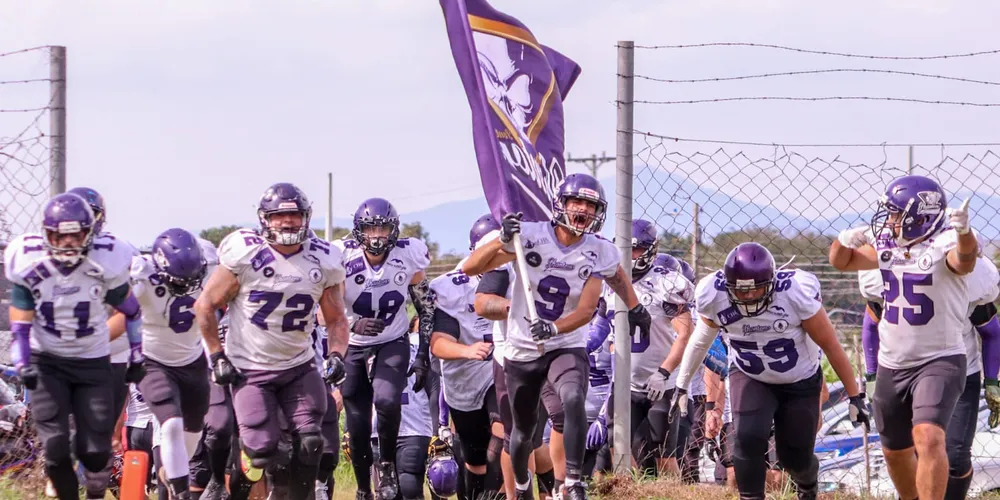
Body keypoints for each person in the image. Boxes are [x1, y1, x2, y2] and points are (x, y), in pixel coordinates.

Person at [463, 173, 652, 500]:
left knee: (573, 397)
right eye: (577, 201)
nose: (583, 210)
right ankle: (522, 482)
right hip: (522, 348)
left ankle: (573, 481)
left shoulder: (598, 250)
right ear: (560, 204)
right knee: (522, 433)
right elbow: (470, 268)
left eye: (590, 205)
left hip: (565, 342)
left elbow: (591, 304)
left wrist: (634, 306)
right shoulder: (530, 236)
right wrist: (501, 240)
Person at [675, 242, 869, 500]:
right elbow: (700, 341)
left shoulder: (794, 294)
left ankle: (807, 486)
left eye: (755, 289)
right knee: (746, 438)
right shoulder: (714, 294)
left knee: (795, 458)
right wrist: (681, 385)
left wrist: (855, 396)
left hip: (800, 381)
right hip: (750, 374)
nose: (747, 297)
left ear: (771, 283)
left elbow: (831, 345)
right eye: (740, 290)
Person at [194, 182, 350, 500]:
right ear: (265, 219)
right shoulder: (245, 252)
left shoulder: (323, 258)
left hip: (298, 367)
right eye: (279, 215)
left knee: (311, 443)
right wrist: (217, 356)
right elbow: (205, 305)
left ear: (306, 217)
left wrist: (336, 353)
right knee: (262, 450)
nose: (288, 221)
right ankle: (236, 483)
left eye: (294, 215)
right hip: (250, 368)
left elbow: (336, 319)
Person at [830, 175, 978, 500]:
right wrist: (843, 240)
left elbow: (964, 262)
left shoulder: (947, 241)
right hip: (892, 362)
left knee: (928, 436)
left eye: (896, 213)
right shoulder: (888, 242)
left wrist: (965, 233)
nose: (890, 219)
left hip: (939, 359)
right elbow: (841, 262)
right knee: (895, 452)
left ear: (918, 215)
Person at [4, 193, 143, 500]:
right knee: (55, 449)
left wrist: (136, 355)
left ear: (89, 233)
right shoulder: (29, 260)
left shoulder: (106, 259)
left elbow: (132, 311)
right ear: (46, 233)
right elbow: (20, 325)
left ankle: (95, 490)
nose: (67, 243)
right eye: (60, 235)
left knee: (95, 450)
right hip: (47, 360)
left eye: (75, 235)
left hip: (92, 361)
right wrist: (23, 362)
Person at [858, 255, 1000, 500]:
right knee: (907, 451)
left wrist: (991, 381)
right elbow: (871, 325)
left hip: (957, 370)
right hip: (901, 368)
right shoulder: (890, 268)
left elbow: (992, 332)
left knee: (954, 456)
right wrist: (871, 374)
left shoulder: (966, 276)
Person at [334, 197, 434, 500]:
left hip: (392, 338)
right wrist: (353, 324)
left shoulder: (408, 254)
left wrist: (423, 354)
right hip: (353, 344)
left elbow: (426, 308)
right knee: (357, 423)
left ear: (394, 229)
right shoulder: (342, 256)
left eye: (383, 228)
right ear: (358, 230)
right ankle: (363, 487)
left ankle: (387, 465)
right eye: (371, 229)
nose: (377, 236)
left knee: (388, 400)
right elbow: (329, 307)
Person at [130, 228, 217, 498]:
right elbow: (118, 311)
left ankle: (171, 472)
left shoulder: (211, 264)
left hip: (192, 359)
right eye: (179, 281)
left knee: (194, 431)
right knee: (170, 424)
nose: (187, 286)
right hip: (153, 361)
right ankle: (181, 492)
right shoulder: (141, 274)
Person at [430, 214, 504, 499]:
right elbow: (438, 343)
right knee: (475, 460)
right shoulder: (453, 287)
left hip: (499, 368)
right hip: (463, 380)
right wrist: (467, 351)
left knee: (504, 430)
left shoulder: (517, 276)